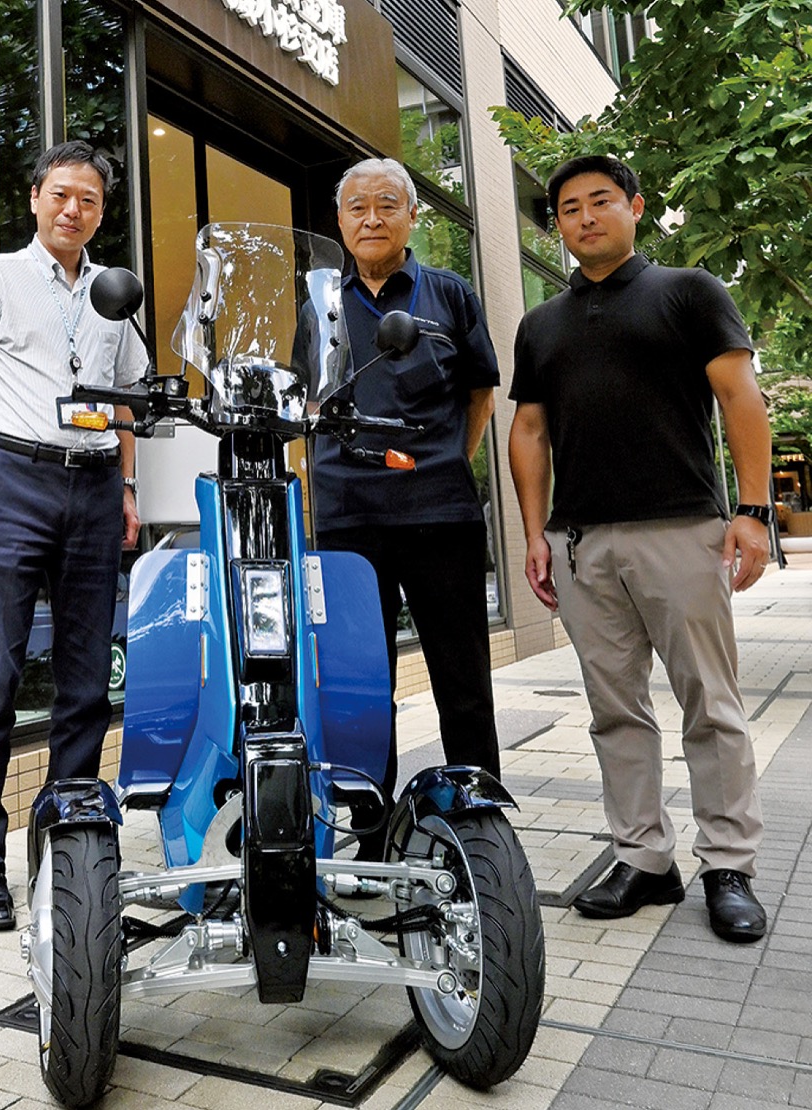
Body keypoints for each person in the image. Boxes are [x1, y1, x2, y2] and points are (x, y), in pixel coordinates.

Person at [508, 154, 770, 943]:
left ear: (635, 207)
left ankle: (728, 864)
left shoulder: (690, 292)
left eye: (600, 201)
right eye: (569, 209)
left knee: (710, 704)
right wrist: (535, 533)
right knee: (615, 712)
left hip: (681, 529)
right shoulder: (540, 325)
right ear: (557, 226)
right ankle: (644, 858)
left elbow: (740, 396)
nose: (585, 217)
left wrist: (753, 511)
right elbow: (528, 430)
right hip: (583, 544)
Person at [0, 140, 146, 930]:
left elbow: (126, 400)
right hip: (14, 479)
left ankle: (67, 848)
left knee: (87, 685)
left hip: (94, 485)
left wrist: (127, 489)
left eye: (88, 200)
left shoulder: (114, 290)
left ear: (100, 212)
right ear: (34, 198)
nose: (72, 210)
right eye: (61, 194)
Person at [313, 157, 502, 857]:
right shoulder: (320, 304)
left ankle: (478, 825)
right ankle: (369, 832)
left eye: (387, 204)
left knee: (462, 675)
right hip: (346, 520)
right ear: (339, 221)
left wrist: (447, 459)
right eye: (357, 207)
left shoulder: (450, 293)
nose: (372, 218)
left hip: (440, 516)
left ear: (412, 216)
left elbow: (480, 393)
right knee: (361, 685)